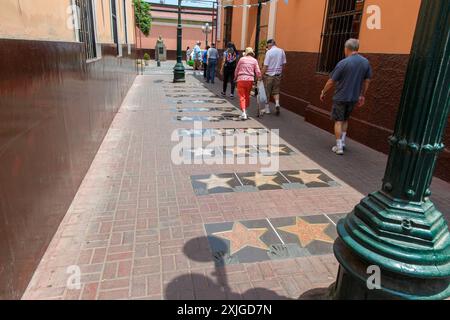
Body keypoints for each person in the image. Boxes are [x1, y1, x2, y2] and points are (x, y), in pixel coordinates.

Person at [320, 38, 372, 156]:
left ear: (347, 48)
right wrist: (362, 95)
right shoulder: (365, 62)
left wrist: (323, 92)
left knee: (338, 121)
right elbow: (367, 80)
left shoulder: (343, 63)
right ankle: (342, 142)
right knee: (345, 120)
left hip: (341, 97)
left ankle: (339, 147)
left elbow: (331, 81)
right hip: (354, 97)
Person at [234, 47, 262, 120]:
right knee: (247, 95)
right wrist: (259, 77)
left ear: (246, 53)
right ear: (252, 53)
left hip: (241, 79)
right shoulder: (254, 60)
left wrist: (235, 77)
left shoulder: (241, 59)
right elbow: (258, 71)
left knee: (242, 96)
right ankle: (245, 111)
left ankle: (243, 112)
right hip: (250, 80)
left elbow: (237, 69)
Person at [261, 39, 287, 115]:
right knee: (276, 91)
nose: (267, 47)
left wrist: (260, 75)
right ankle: (277, 103)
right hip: (278, 75)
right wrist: (281, 72)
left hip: (269, 75)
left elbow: (265, 66)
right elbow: (284, 64)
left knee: (267, 92)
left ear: (270, 45)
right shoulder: (282, 51)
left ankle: (267, 109)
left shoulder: (269, 52)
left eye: (267, 46)